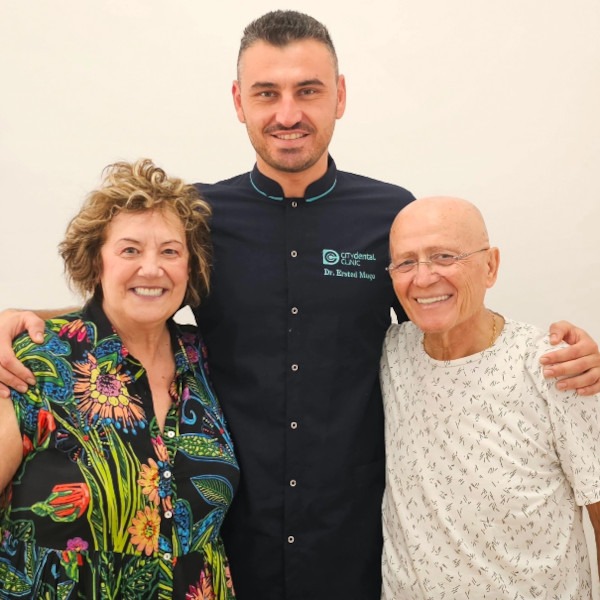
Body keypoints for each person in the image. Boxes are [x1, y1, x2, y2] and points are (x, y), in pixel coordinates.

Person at [0, 11, 599, 600]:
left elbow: (445, 327)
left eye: (308, 91)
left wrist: (552, 354)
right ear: (239, 102)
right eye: (267, 93)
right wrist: (20, 321)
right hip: (231, 548)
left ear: (340, 96)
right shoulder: (200, 217)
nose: (287, 114)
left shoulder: (389, 214)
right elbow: (138, 297)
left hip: (354, 548)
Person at [0, 159, 239, 599]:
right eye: (130, 251)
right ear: (96, 262)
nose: (151, 268)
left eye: (170, 252)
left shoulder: (206, 359)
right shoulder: (37, 361)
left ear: (191, 267)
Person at [380, 196, 600, 598]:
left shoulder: (556, 369)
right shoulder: (389, 355)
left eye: (444, 256)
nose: (423, 278)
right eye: (406, 263)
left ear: (490, 266)